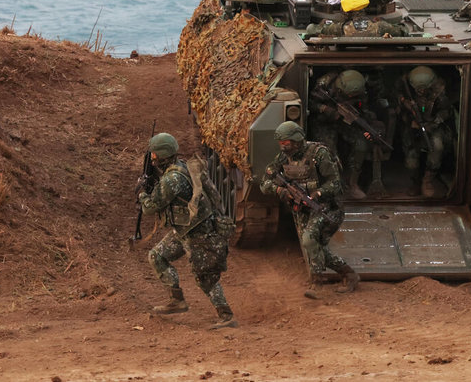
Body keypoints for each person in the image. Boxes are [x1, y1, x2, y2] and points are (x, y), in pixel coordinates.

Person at [137, 133, 236, 328]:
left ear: (163, 155)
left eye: (155, 155)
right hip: (184, 231)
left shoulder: (172, 179)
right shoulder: (180, 166)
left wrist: (142, 194)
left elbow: (150, 207)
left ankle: (227, 316)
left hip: (200, 233)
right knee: (157, 255)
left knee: (205, 278)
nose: (153, 158)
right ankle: (177, 300)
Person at [259, 121, 359, 299]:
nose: (283, 147)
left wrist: (318, 193)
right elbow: (264, 182)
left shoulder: (319, 154)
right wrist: (280, 190)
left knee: (309, 240)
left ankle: (317, 282)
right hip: (300, 209)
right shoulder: (283, 158)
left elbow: (336, 183)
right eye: (281, 144)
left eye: (286, 143)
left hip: (326, 207)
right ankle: (349, 274)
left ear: (297, 141)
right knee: (312, 247)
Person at [309, 68, 385, 199]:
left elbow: (363, 109)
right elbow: (309, 103)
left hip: (346, 121)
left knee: (361, 145)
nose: (351, 97)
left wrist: (367, 122)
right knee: (328, 151)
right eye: (348, 95)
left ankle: (352, 184)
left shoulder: (360, 87)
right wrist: (326, 109)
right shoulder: (324, 85)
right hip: (324, 121)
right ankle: (331, 185)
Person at [395, 66, 453, 198]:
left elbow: (446, 111)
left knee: (437, 146)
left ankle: (428, 180)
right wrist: (409, 117)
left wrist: (434, 124)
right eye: (418, 89)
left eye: (424, 89)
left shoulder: (439, 93)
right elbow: (397, 110)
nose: (421, 91)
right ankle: (415, 181)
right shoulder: (405, 89)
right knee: (411, 156)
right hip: (411, 126)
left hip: (432, 125)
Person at [305, 0, 408, 39]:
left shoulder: (339, 28)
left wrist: (324, 24)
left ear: (345, 11)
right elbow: (404, 31)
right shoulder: (381, 27)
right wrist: (385, 22)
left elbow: (310, 29)